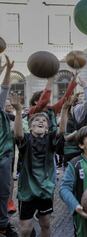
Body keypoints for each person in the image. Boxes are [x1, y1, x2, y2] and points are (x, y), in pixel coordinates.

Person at [12, 89, 68, 237]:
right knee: (25, 229)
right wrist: (18, 111)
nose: (40, 121)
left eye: (44, 120)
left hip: (45, 188)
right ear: (30, 127)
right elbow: (17, 134)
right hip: (27, 190)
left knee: (46, 224)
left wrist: (64, 110)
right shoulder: (27, 139)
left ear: (48, 127)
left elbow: (61, 131)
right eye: (36, 120)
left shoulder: (50, 139)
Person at [0, 55, 18, 237]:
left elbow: (4, 89)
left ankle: (3, 224)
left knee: (5, 192)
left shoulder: (3, 114)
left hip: (4, 157)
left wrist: (8, 70)